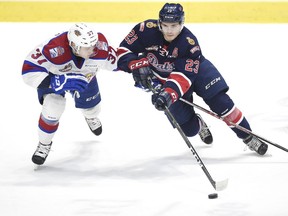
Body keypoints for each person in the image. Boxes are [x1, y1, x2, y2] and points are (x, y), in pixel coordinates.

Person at [117, 3, 268, 155]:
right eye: (165, 25)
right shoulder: (145, 29)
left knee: (222, 104)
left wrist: (168, 94)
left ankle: (248, 136)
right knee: (189, 130)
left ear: (182, 23)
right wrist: (136, 65)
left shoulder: (189, 43)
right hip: (166, 79)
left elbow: (183, 76)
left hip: (197, 73)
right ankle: (200, 124)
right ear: (159, 23)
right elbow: (123, 50)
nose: (169, 30)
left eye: (174, 25)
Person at [22, 23, 118, 165]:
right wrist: (54, 82)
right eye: (87, 47)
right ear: (73, 44)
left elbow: (119, 62)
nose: (93, 50)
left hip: (84, 76)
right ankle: (44, 144)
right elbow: (28, 72)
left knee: (92, 109)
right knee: (54, 106)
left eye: (93, 45)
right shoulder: (53, 49)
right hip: (54, 76)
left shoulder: (100, 48)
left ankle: (90, 117)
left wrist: (136, 66)